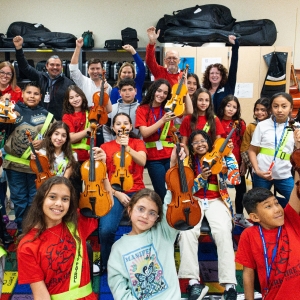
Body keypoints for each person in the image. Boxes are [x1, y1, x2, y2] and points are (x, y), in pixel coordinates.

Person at [107, 143, 187, 299]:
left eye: (152, 213)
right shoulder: (118, 248)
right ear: (129, 209)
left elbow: (171, 201)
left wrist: (173, 167)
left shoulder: (164, 233)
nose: (145, 216)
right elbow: (119, 290)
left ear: (158, 217)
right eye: (141, 209)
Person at [236, 126, 300, 300]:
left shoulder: (290, 220)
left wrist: (298, 148)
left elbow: (297, 187)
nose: (277, 209)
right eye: (268, 206)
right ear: (254, 217)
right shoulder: (249, 235)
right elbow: (248, 273)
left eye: (276, 203)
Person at [178, 130, 240, 300]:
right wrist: (201, 178)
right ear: (192, 146)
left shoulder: (223, 156)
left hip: (218, 200)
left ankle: (229, 285)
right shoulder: (187, 161)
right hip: (195, 199)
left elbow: (236, 181)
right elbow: (186, 189)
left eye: (203, 141)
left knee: (222, 231)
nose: (200, 145)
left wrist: (228, 162)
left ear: (209, 142)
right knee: (187, 232)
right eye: (195, 142)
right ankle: (193, 282)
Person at [17, 176, 98, 299]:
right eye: (52, 197)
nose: (59, 203)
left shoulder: (77, 222)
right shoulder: (28, 245)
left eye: (65, 199)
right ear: (41, 199)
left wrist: (103, 173)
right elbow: (41, 296)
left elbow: (106, 205)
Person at [94, 112, 147, 275]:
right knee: (106, 229)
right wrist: (117, 194)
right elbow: (102, 176)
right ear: (113, 127)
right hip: (113, 192)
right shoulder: (105, 147)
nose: (122, 126)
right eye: (118, 123)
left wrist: (127, 147)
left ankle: (141, 262)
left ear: (130, 127)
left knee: (145, 225)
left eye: (125, 123)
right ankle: (107, 261)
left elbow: (142, 161)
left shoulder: (137, 143)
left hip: (137, 191)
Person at [2, 82, 54, 235]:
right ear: (23, 94)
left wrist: (45, 142)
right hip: (14, 166)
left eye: (36, 94)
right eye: (29, 93)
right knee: (19, 200)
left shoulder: (47, 115)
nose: (32, 96)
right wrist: (5, 107)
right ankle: (21, 231)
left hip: (36, 167)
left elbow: (57, 137)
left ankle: (34, 230)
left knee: (35, 200)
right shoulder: (12, 109)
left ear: (41, 97)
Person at [135, 79, 192, 201]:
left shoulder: (169, 107)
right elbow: (144, 133)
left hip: (171, 155)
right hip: (153, 158)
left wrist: (184, 90)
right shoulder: (142, 109)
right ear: (153, 90)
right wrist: (162, 120)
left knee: (175, 187)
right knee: (161, 191)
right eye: (159, 91)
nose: (161, 95)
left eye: (165, 93)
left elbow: (189, 111)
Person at [248, 92, 296, 208]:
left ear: (291, 108)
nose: (279, 110)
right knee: (259, 205)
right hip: (262, 173)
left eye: (284, 106)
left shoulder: (296, 127)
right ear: (271, 108)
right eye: (275, 106)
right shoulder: (262, 125)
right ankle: (262, 225)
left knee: (295, 201)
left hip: (284, 174)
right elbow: (252, 150)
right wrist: (257, 170)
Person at [13, 36, 73, 120]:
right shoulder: (39, 76)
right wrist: (19, 48)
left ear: (62, 67)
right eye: (52, 64)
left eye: (58, 65)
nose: (55, 67)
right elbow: (24, 67)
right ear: (47, 66)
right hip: (38, 119)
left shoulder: (69, 84)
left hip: (58, 122)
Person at [217, 95, 250, 228]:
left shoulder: (240, 123)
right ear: (223, 106)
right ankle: (222, 216)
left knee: (241, 189)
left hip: (236, 162)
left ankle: (239, 216)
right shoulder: (216, 120)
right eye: (228, 106)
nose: (231, 109)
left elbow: (244, 144)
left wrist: (244, 163)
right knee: (220, 190)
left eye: (234, 107)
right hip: (220, 162)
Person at [69, 37, 113, 108]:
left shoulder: (108, 87)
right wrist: (78, 47)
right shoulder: (83, 81)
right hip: (85, 117)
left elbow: (110, 108)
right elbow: (73, 68)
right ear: (88, 70)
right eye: (92, 68)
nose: (95, 71)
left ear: (102, 70)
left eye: (98, 68)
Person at [202, 35, 239, 113]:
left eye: (217, 73)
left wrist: (235, 46)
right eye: (212, 73)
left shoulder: (228, 87)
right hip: (207, 123)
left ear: (222, 75)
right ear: (208, 76)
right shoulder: (204, 90)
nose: (214, 75)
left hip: (222, 123)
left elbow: (233, 67)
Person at [240, 97, 270, 174]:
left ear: (269, 111)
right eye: (257, 109)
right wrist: (253, 165)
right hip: (254, 164)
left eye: (263, 110)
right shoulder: (251, 126)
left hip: (270, 164)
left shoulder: (273, 127)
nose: (259, 112)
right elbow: (244, 148)